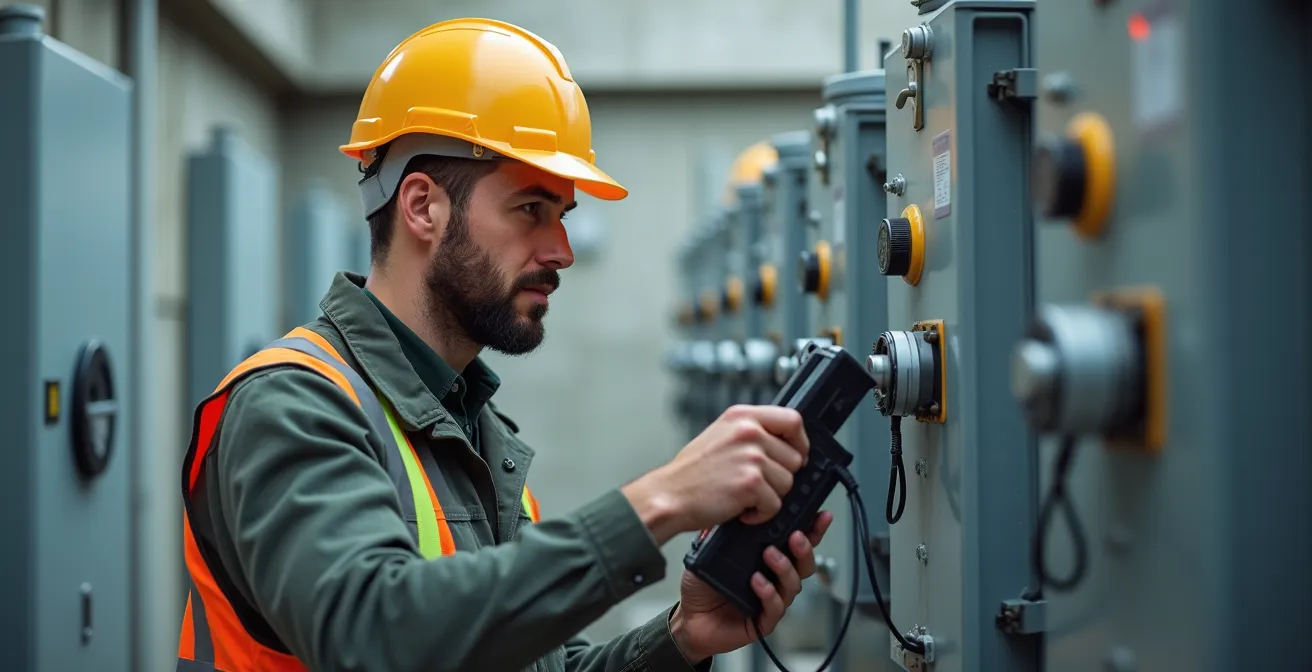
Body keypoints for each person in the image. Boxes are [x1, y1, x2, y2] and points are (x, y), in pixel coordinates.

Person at [175, 17, 830, 672]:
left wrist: (684, 637)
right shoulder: (291, 403)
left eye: (564, 216)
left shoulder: (474, 431)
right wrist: (660, 501)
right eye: (530, 210)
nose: (563, 251)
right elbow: (370, 634)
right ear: (423, 207)